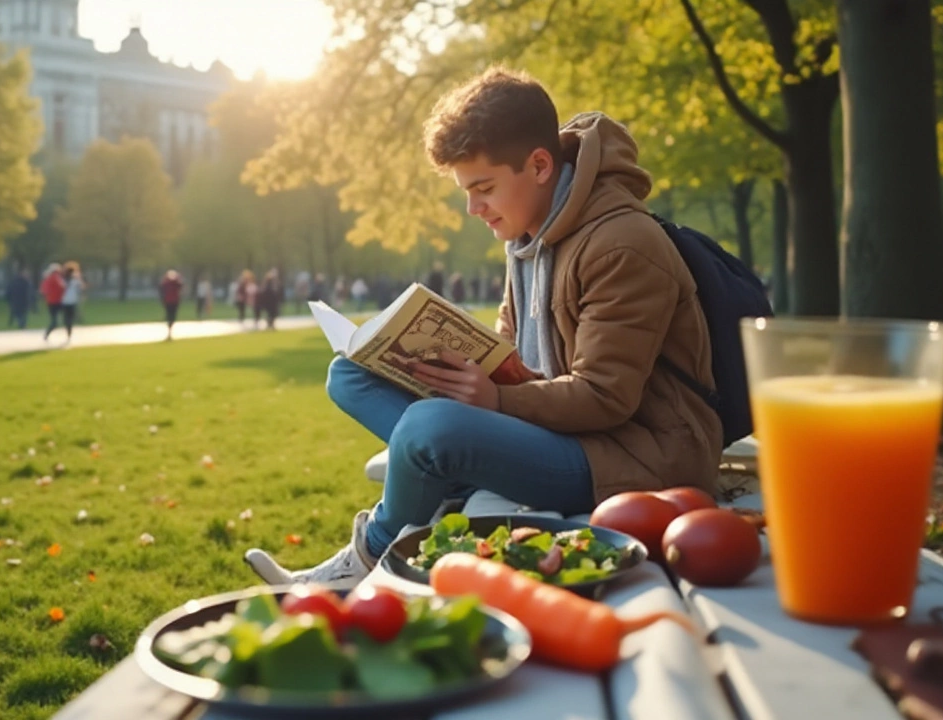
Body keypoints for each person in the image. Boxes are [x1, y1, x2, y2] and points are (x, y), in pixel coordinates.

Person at [244, 67, 721, 585]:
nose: (474, 209)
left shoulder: (622, 244)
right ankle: (454, 476)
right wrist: (448, 358)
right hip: (551, 423)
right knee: (352, 374)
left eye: (484, 188)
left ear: (539, 165)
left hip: (631, 455)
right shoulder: (526, 232)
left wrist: (495, 402)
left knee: (429, 429)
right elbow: (512, 348)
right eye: (466, 192)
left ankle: (365, 560)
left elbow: (607, 397)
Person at [59, 261, 85, 343]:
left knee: (67, 317)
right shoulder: (75, 280)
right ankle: (69, 330)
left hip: (64, 301)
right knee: (70, 317)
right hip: (72, 301)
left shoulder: (62, 280)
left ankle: (68, 328)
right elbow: (82, 287)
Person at [41, 263, 65, 340]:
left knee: (54, 319)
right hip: (57, 301)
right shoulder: (56, 277)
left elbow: (44, 290)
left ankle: (47, 333)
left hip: (51, 301)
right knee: (56, 320)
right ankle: (48, 333)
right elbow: (62, 287)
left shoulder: (47, 278)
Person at [160, 269, 185, 340]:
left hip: (171, 301)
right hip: (172, 301)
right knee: (171, 316)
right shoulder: (174, 283)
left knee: (170, 316)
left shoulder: (169, 283)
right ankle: (169, 330)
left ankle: (169, 330)